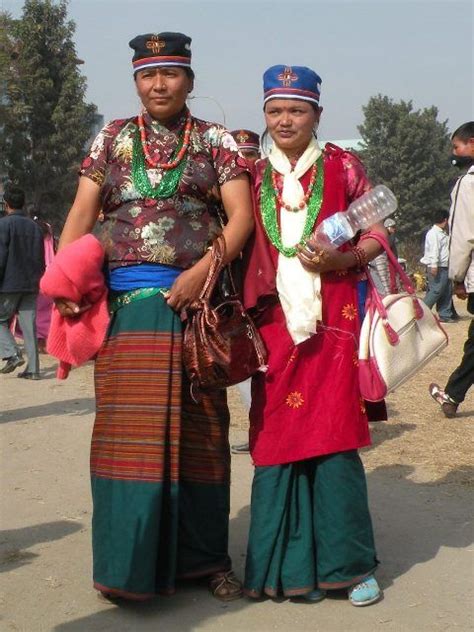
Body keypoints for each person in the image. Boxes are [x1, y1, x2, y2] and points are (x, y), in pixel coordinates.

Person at [54, 32, 253, 602]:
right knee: (126, 437)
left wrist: (203, 269)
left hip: (197, 310)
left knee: (204, 433)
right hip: (127, 314)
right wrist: (68, 283)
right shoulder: (111, 138)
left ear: (189, 79)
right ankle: (128, 567)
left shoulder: (215, 140)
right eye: (147, 75)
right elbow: (80, 214)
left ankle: (204, 562)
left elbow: (239, 220)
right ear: (136, 81)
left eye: (169, 73)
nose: (158, 84)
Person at [242, 65, 385, 607]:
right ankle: (280, 566)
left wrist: (343, 257)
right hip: (273, 322)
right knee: (276, 433)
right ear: (265, 115)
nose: (285, 120)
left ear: (317, 115)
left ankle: (349, 565)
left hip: (335, 320)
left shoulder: (343, 166)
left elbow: (377, 230)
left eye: (297, 110)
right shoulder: (252, 174)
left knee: (334, 429)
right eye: (275, 110)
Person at [429, 121, 474, 418]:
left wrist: (457, 277)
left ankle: (452, 394)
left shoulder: (467, 184)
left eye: (456, 147)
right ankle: (453, 394)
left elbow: (464, 235)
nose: (454, 154)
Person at [229, 128, 262, 455]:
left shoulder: (270, 188)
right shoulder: (222, 190)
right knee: (242, 361)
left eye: (250, 154)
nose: (244, 161)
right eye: (239, 155)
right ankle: (258, 430)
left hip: (266, 290)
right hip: (234, 291)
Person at [0, 184, 44, 379]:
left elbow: (1, 257)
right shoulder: (35, 227)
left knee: (1, 320)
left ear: (6, 204)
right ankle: (33, 370)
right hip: (31, 284)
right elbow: (41, 258)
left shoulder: (3, 225)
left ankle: (11, 353)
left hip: (9, 284)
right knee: (29, 327)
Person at [421, 209, 455, 323]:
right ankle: (422, 311)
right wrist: (434, 265)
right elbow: (434, 250)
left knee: (446, 291)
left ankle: (445, 314)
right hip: (437, 266)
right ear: (445, 220)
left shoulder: (442, 233)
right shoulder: (433, 233)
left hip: (445, 265)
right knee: (436, 290)